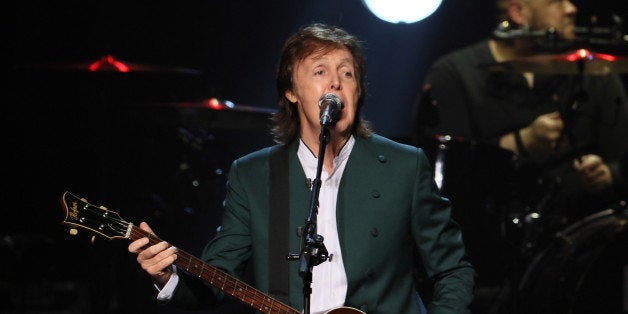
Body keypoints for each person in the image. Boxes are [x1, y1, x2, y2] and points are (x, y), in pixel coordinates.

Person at [128, 23, 475, 314]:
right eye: (320, 72)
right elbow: (217, 280)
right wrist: (168, 276)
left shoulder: (405, 165)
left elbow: (453, 270)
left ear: (358, 90)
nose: (336, 83)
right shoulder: (253, 175)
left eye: (347, 73)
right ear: (292, 93)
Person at [414, 0, 628, 313]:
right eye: (556, 1)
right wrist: (519, 143)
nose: (571, 9)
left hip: (580, 246)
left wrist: (609, 172)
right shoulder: (455, 73)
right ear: (518, 13)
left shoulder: (593, 73)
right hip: (484, 250)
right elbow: (444, 176)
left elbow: (622, 155)